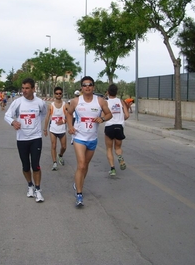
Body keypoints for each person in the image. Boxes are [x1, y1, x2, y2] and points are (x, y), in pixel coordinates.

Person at [66, 76, 112, 207]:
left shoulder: (100, 101)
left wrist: (102, 119)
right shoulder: (75, 101)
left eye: (90, 85)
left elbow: (109, 114)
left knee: (85, 165)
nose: (87, 87)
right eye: (85, 85)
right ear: (81, 87)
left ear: (93, 87)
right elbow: (69, 113)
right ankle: (79, 195)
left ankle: (78, 182)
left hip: (92, 139)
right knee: (81, 164)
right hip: (79, 137)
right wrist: (70, 127)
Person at [4, 77, 47, 203]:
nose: (24, 91)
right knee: (26, 166)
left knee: (36, 165)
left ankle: (38, 190)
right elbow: (7, 115)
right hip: (22, 138)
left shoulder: (40, 102)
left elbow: (43, 113)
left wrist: (37, 124)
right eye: (23, 88)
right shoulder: (17, 102)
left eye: (27, 88)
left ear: (33, 89)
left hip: (35, 138)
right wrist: (13, 122)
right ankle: (30, 185)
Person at [104, 84, 130, 176]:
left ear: (108, 92)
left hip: (109, 126)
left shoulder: (105, 102)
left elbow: (103, 116)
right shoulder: (121, 101)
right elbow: (127, 115)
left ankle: (112, 168)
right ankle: (120, 157)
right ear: (116, 92)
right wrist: (121, 120)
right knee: (118, 148)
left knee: (109, 148)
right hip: (119, 127)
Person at [44, 86, 67, 171]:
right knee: (53, 145)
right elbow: (47, 117)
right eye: (57, 93)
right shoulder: (51, 105)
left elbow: (69, 117)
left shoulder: (65, 105)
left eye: (60, 93)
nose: (58, 95)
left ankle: (60, 155)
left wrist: (63, 121)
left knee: (64, 147)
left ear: (62, 94)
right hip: (53, 129)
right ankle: (54, 163)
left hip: (62, 129)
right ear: (54, 95)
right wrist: (45, 129)